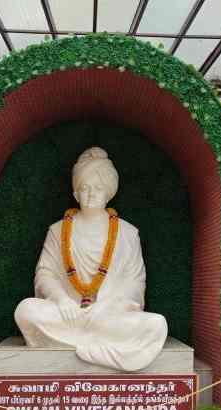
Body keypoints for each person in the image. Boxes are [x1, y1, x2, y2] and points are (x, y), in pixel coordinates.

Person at [13, 147, 167, 372]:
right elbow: (45, 273)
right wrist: (62, 300)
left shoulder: (126, 233)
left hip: (109, 314)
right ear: (76, 194)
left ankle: (81, 344)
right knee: (26, 309)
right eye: (84, 188)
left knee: (156, 324)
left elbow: (135, 282)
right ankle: (103, 347)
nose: (91, 194)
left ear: (109, 193)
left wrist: (107, 306)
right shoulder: (58, 230)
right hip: (68, 314)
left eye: (98, 188)